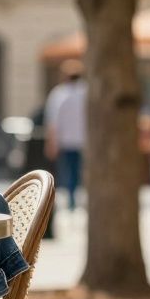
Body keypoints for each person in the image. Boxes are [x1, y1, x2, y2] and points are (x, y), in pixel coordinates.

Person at [44, 59, 88, 211]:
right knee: (77, 170)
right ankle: (73, 197)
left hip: (66, 140)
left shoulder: (59, 94)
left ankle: (71, 198)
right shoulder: (86, 93)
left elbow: (53, 121)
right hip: (83, 140)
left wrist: (51, 142)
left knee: (68, 170)